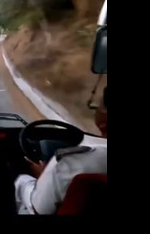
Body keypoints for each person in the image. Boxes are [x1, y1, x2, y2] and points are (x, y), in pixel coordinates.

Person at [14, 87, 108, 215]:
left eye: (98, 106)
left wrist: (44, 180)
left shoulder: (70, 163)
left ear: (103, 122)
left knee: (21, 182)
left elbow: (37, 208)